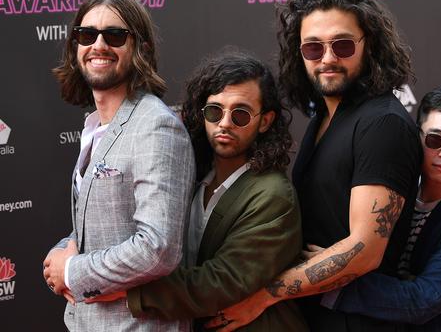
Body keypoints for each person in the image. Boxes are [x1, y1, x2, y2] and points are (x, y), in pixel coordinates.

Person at [211, 0, 421, 331]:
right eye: (312, 47)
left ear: (369, 44)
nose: (327, 59)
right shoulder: (326, 113)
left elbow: (366, 250)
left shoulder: (383, 123)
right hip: (319, 314)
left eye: (342, 45)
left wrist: (265, 296)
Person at [88, 52, 308, 331]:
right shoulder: (189, 173)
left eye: (240, 114)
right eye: (215, 111)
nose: (225, 123)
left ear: (265, 121)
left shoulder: (274, 195)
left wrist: (129, 293)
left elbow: (222, 280)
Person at [42, 0, 195, 331]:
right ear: (75, 47)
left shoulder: (155, 125)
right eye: (86, 34)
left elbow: (157, 248)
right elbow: (103, 222)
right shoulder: (95, 125)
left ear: (140, 47)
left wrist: (71, 271)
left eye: (114, 35)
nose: (98, 45)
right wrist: (60, 253)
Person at [324, 85, 441, 331]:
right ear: (417, 136)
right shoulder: (398, 189)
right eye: (434, 139)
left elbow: (422, 301)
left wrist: (327, 278)